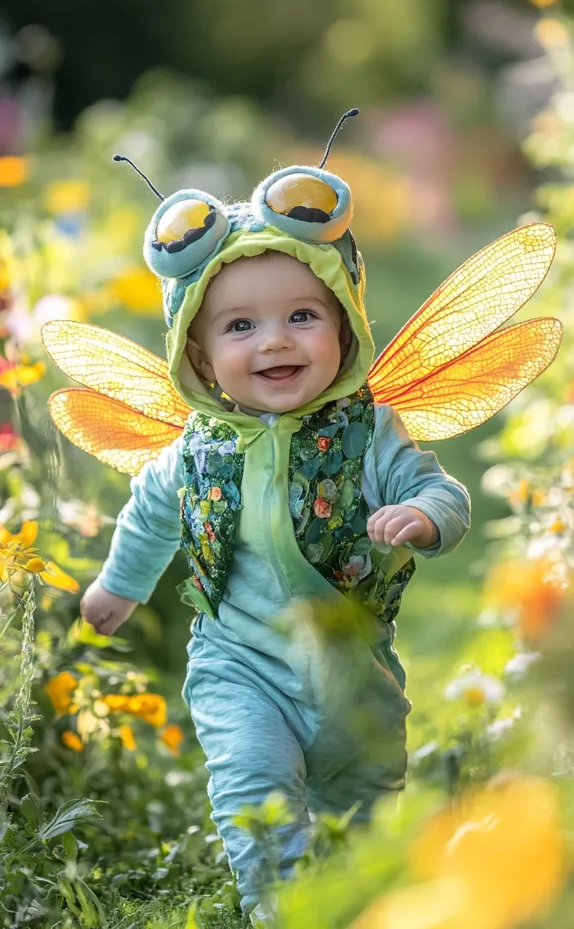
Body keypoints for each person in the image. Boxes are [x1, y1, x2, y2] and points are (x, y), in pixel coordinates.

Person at [78, 161, 471, 921]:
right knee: (251, 783)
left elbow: (442, 492)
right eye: (240, 326)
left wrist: (423, 517)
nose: (275, 341)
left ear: (344, 326)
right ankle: (277, 910)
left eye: (302, 315)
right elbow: (151, 515)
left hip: (353, 668)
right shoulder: (196, 451)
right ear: (198, 355)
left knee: (363, 811)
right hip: (239, 661)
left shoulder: (368, 432)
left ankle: (354, 898)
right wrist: (119, 587)